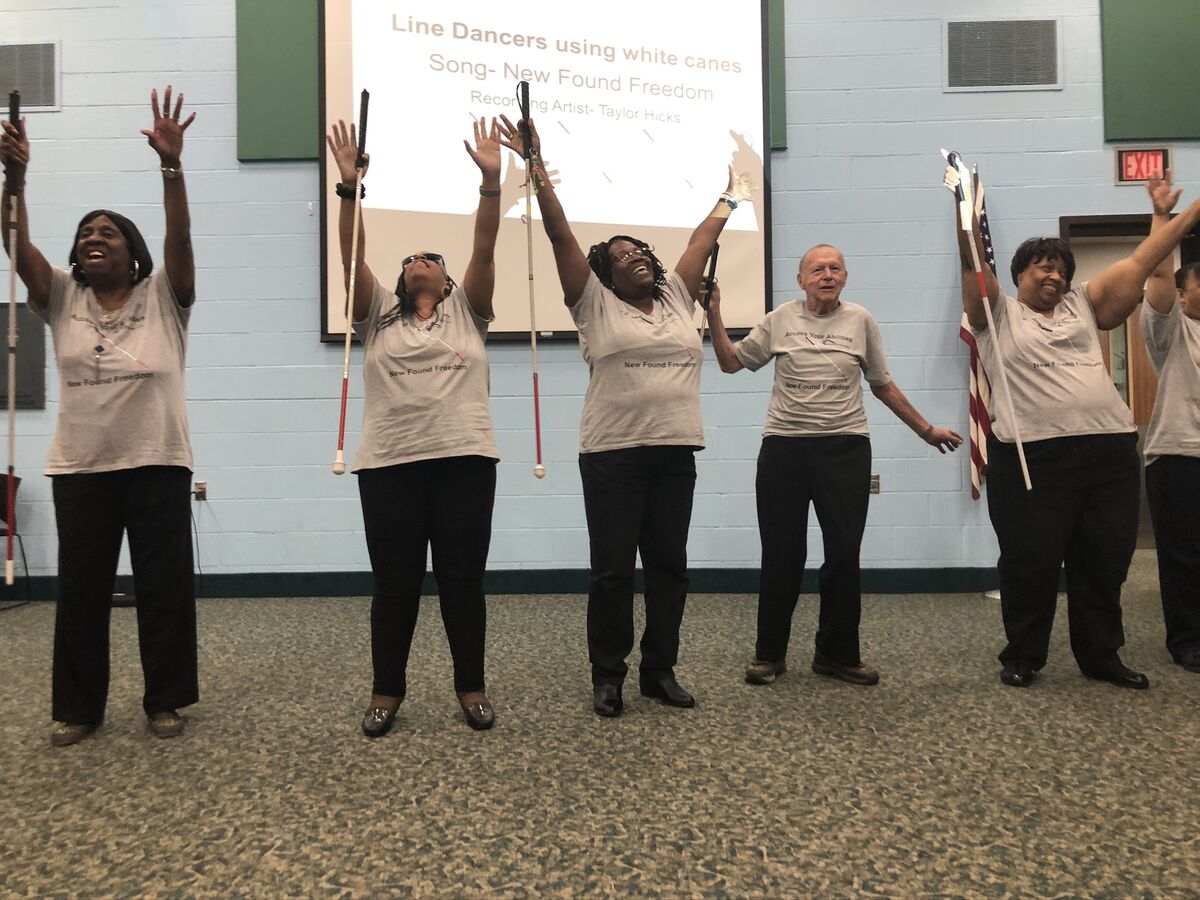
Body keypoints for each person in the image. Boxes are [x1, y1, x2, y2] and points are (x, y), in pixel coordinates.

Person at [498, 115, 747, 717]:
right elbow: (559, 237)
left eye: (639, 251)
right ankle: (607, 676)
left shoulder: (677, 298)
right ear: (605, 273)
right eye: (619, 255)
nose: (633, 257)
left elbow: (697, 244)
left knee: (669, 569)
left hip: (675, 450)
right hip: (612, 456)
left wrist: (733, 194)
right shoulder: (593, 304)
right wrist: (535, 167)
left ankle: (659, 671)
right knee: (612, 572)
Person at [945, 161, 1200, 689]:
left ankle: (1100, 655)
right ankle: (1023, 656)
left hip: (1108, 454)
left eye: (1060, 267)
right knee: (1029, 563)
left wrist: (1188, 211)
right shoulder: (996, 316)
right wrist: (963, 213)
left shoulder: (1084, 304)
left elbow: (1146, 258)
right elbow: (973, 269)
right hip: (1032, 457)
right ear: (1018, 276)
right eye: (1041, 267)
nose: (1054, 275)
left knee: (1105, 563)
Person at [1, 87, 199, 746]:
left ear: (132, 252)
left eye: (107, 232)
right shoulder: (62, 295)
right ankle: (80, 708)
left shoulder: (163, 295)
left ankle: (164, 701)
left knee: (163, 588)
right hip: (81, 467)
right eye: (86, 232)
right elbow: (17, 248)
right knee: (81, 593)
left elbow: (181, 237)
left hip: (158, 462)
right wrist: (16, 181)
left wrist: (171, 168)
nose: (93, 238)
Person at [707, 246, 962, 687]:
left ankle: (837, 654)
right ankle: (769, 654)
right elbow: (732, 364)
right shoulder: (779, 319)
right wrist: (713, 312)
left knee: (844, 555)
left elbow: (882, 384)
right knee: (782, 555)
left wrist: (926, 430)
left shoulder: (860, 321)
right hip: (784, 450)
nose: (827, 275)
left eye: (835, 268)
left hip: (845, 449)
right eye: (817, 269)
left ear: (844, 277)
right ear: (801, 279)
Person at [326, 116, 503, 735]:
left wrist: (490, 183)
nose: (418, 261)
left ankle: (471, 687)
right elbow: (353, 256)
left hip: (464, 459)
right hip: (389, 464)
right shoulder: (376, 315)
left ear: (447, 280)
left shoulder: (468, 311)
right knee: (394, 584)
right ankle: (386, 693)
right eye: (410, 259)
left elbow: (485, 248)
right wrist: (350, 189)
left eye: (430, 257)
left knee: (462, 581)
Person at [1141, 172, 1200, 674]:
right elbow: (1158, 277)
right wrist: (1166, 216)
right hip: (1179, 456)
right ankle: (1186, 640)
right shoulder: (1171, 328)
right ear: (1184, 295)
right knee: (1183, 557)